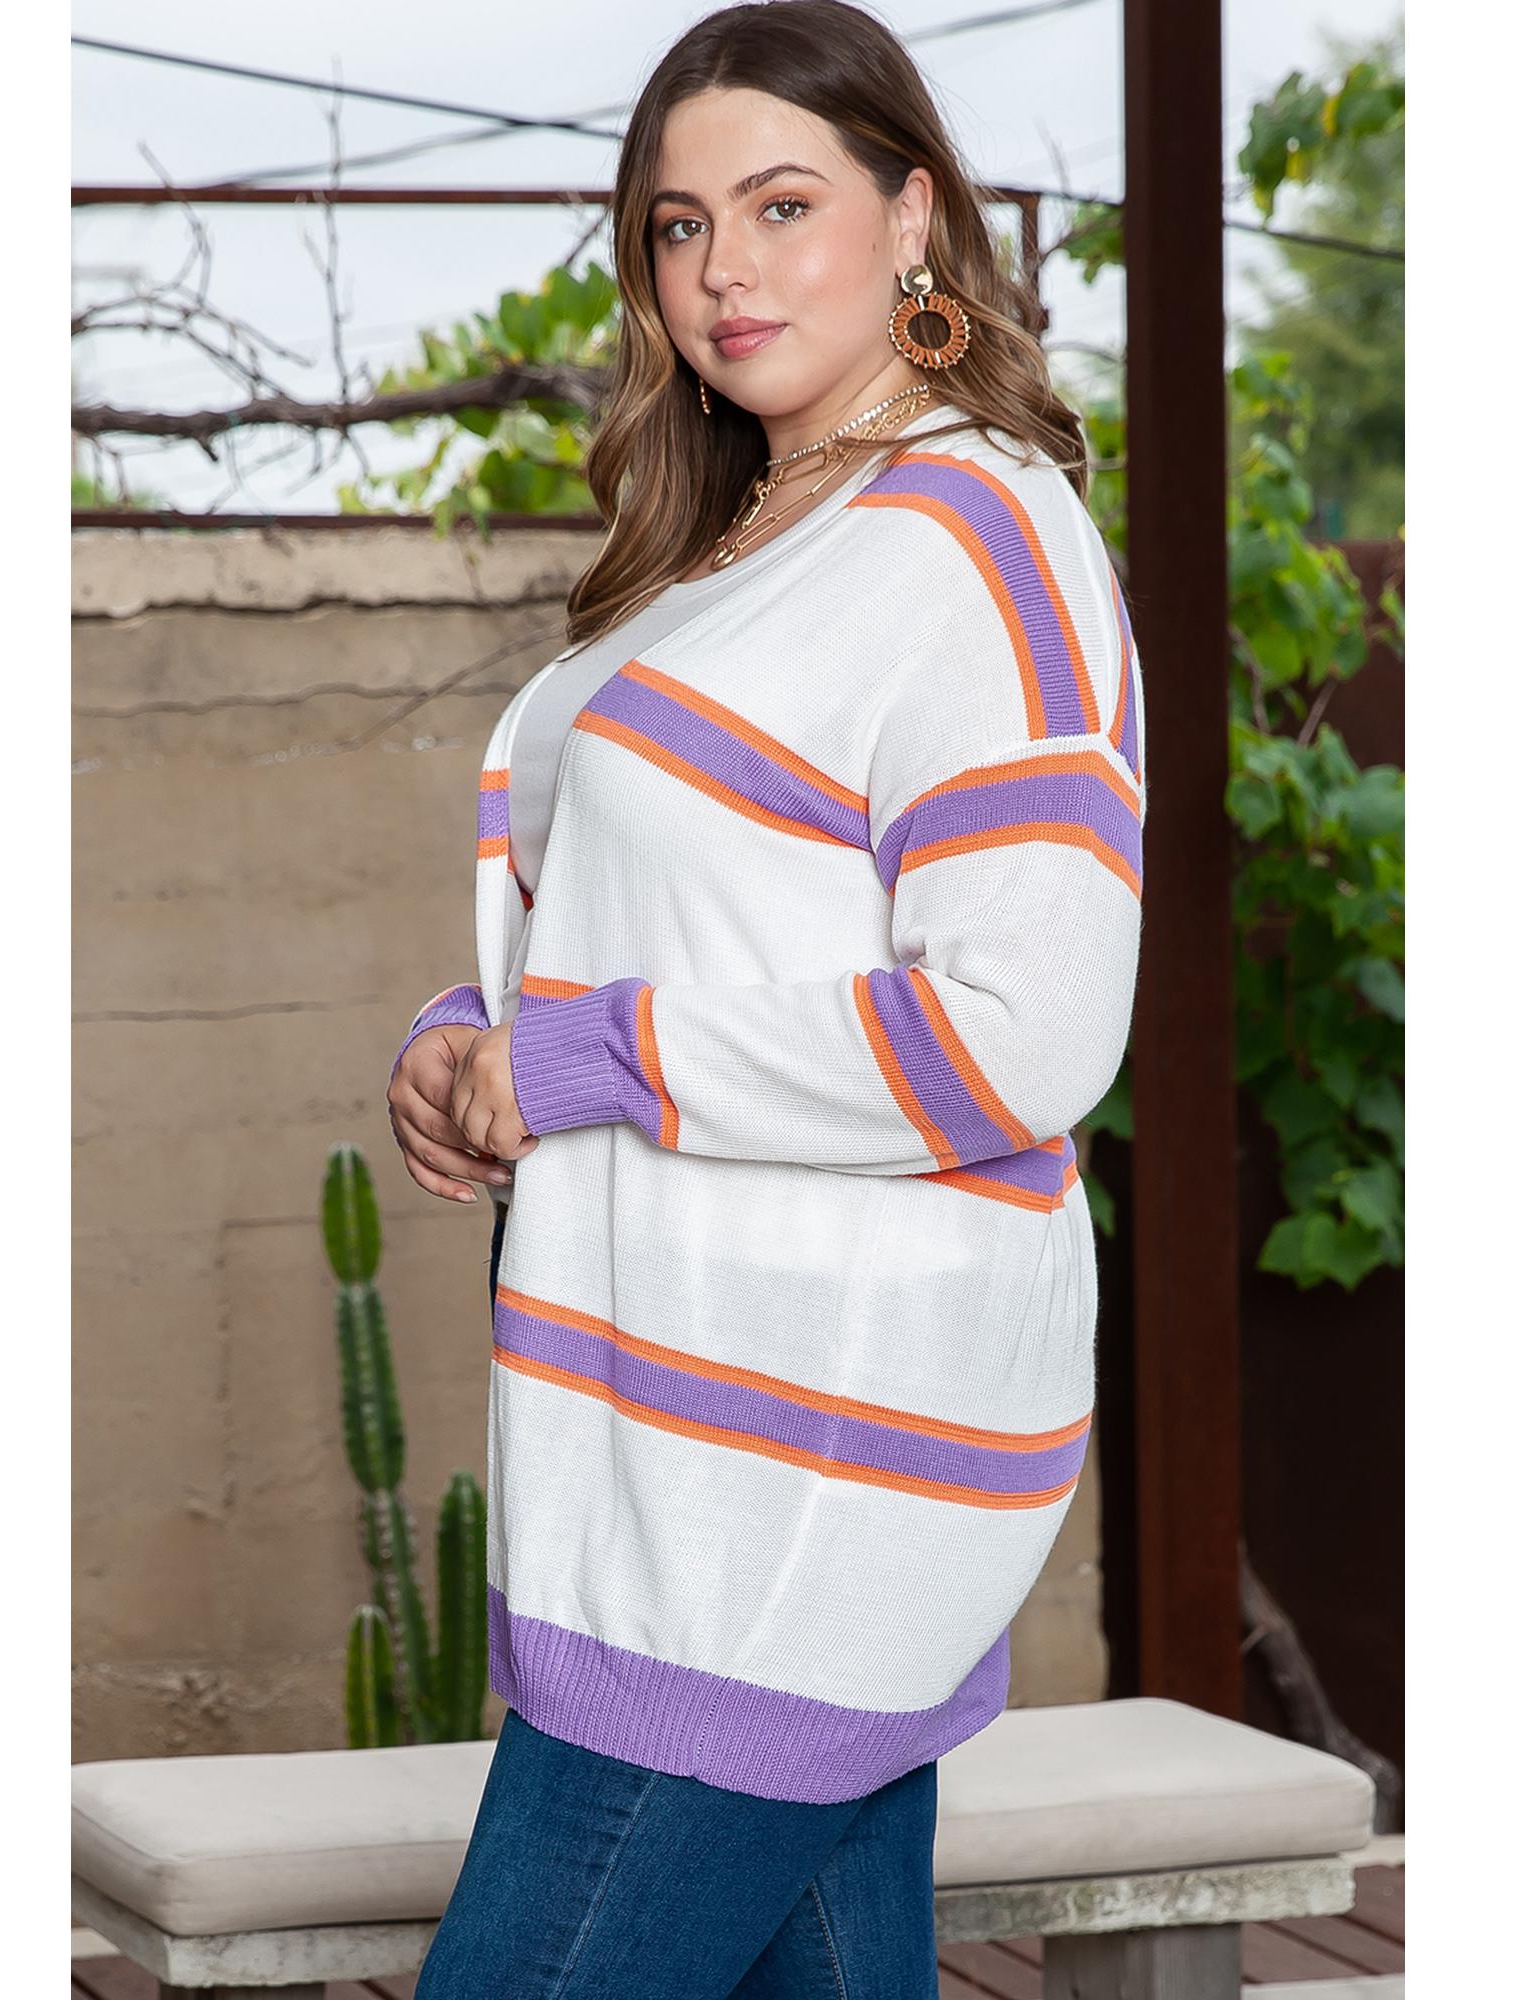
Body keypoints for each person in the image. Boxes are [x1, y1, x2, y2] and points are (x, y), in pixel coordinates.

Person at [385, 3, 1146, 1993]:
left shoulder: (978, 534)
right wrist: (470, 1047)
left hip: (798, 1474)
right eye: (677, 223)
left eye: (783, 204)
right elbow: (664, 917)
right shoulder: (723, 546)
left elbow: (1022, 1031)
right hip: (671, 1444)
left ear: (916, 217)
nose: (722, 266)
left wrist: (581, 1059)